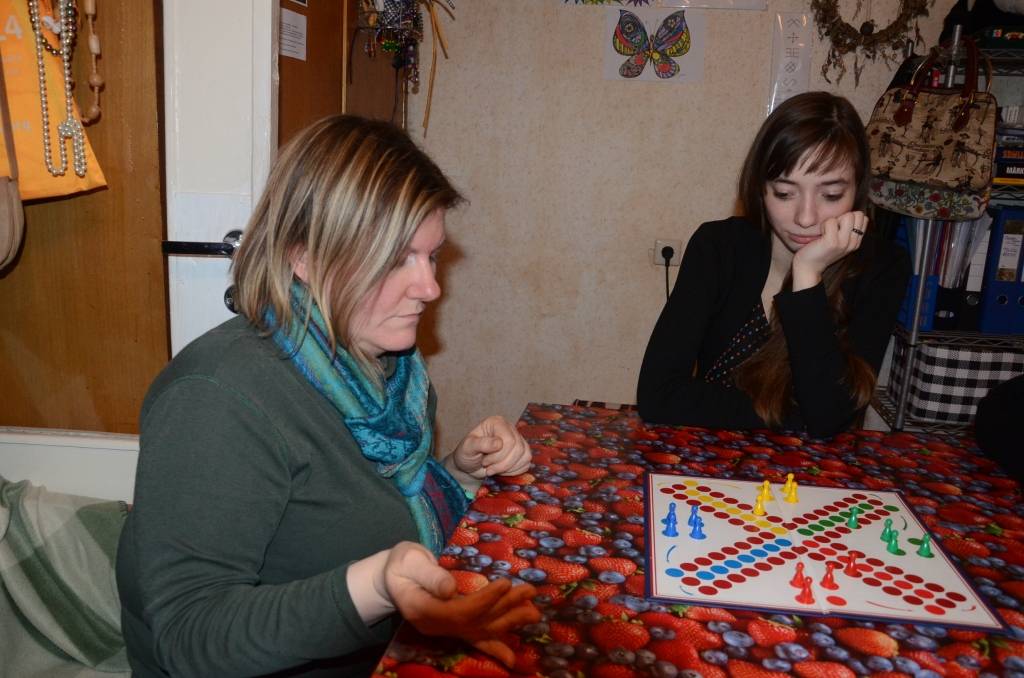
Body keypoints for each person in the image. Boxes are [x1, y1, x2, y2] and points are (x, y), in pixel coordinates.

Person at [116, 116, 539, 677]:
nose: (430, 287)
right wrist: (375, 586)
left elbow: (355, 507)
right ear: (304, 257)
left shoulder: (390, 365)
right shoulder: (217, 400)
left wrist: (458, 473)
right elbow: (190, 636)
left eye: (431, 255)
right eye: (396, 259)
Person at [638, 92, 911, 438]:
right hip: (709, 459)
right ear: (760, 189)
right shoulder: (718, 247)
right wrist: (794, 416)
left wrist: (807, 275)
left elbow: (829, 418)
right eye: (784, 193)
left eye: (830, 195)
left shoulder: (883, 267)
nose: (806, 217)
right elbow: (658, 396)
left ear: (857, 191)